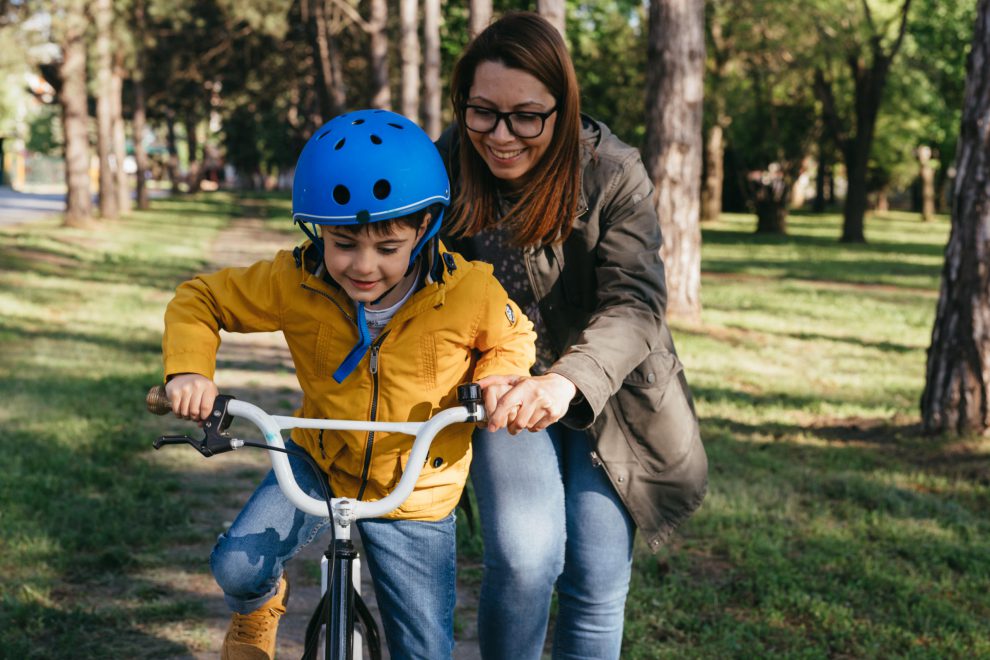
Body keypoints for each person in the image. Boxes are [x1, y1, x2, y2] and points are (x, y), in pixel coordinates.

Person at [161, 109, 536, 660]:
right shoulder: (296, 279)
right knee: (239, 567)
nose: (364, 266)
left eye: (387, 248)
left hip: (416, 489)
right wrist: (190, 370)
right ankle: (259, 608)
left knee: (425, 650)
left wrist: (497, 380)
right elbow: (201, 299)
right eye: (343, 243)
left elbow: (512, 338)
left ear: (426, 229)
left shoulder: (468, 291)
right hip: (318, 457)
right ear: (317, 231)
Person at [436, 12, 709, 659]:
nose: (500, 136)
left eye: (526, 115)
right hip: (503, 389)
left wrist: (567, 381)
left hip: (611, 395)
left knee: (595, 573)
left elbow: (636, 303)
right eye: (482, 112)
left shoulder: (613, 172)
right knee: (527, 560)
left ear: (562, 107)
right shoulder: (447, 162)